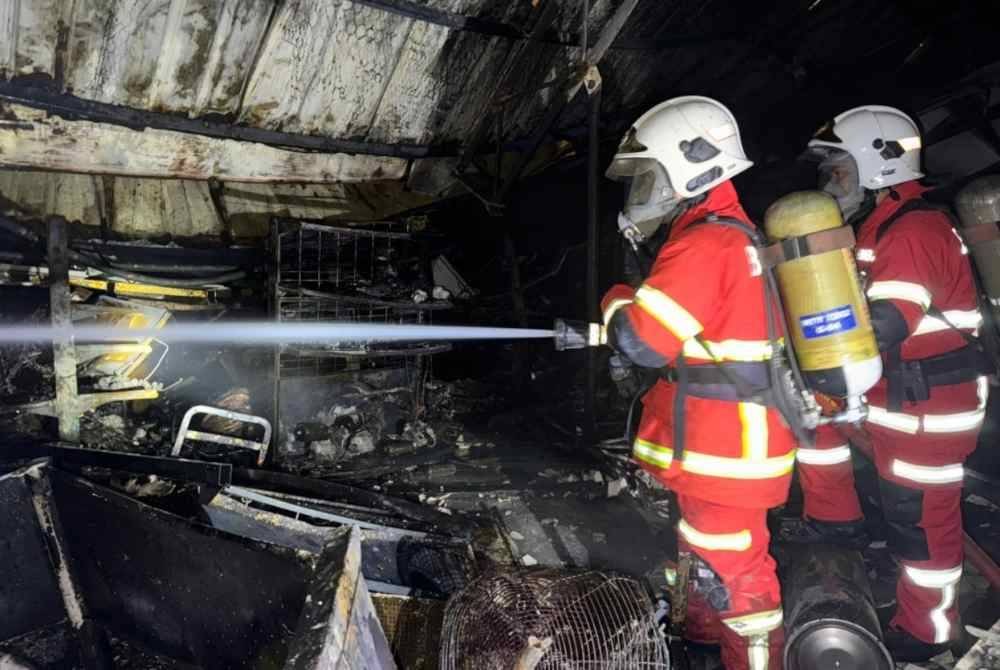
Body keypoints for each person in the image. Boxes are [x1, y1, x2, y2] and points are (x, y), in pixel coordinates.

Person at [785, 105, 989, 661]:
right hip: (900, 402)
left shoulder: (914, 230)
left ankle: (926, 634)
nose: (831, 183)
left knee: (921, 529)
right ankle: (846, 530)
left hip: (927, 410)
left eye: (840, 169)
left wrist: (813, 349)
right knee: (905, 515)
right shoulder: (882, 227)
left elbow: (887, 322)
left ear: (881, 167)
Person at [601, 96, 795, 670]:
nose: (641, 190)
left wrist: (615, 299)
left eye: (649, 175)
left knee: (741, 585)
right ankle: (702, 642)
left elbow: (642, 341)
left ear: (689, 168)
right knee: (705, 560)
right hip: (727, 448)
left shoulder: (705, 244)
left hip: (725, 454)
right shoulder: (735, 236)